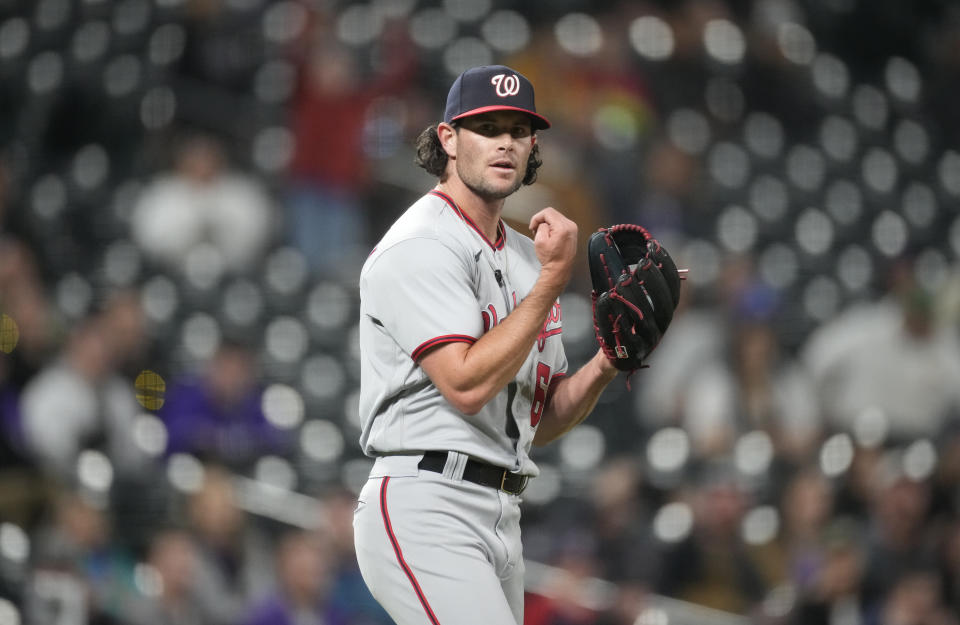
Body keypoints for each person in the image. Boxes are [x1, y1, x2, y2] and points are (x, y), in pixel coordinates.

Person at [352, 65, 647, 625]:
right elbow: (465, 385)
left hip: (502, 508)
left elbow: (541, 414)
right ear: (447, 139)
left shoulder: (525, 255)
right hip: (426, 500)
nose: (505, 142)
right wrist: (551, 283)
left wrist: (609, 361)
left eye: (518, 129)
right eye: (486, 127)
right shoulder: (421, 244)